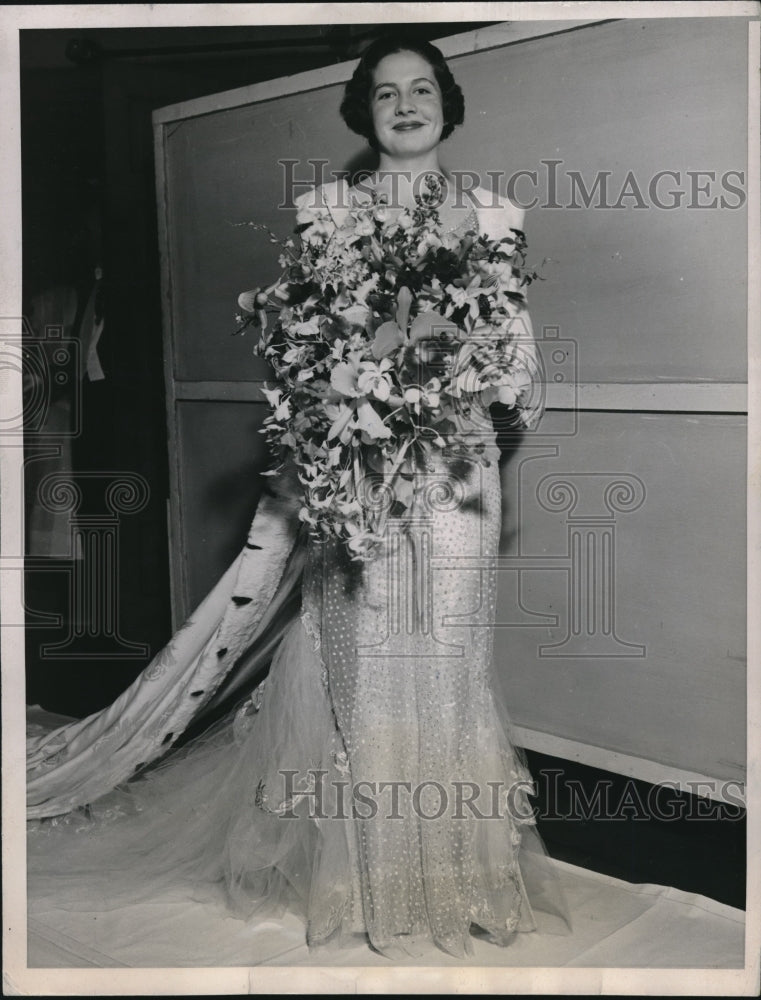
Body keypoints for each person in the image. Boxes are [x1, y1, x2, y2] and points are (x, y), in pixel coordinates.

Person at [26, 33, 568, 962]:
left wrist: (456, 377)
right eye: (386, 92)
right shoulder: (326, 209)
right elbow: (298, 350)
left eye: (422, 89)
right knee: (360, 661)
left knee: (445, 659)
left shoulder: (493, 215)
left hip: (455, 475)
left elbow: (521, 363)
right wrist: (362, 386)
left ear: (448, 102)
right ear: (363, 112)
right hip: (357, 469)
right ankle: (362, 877)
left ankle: (453, 876)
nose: (405, 105)